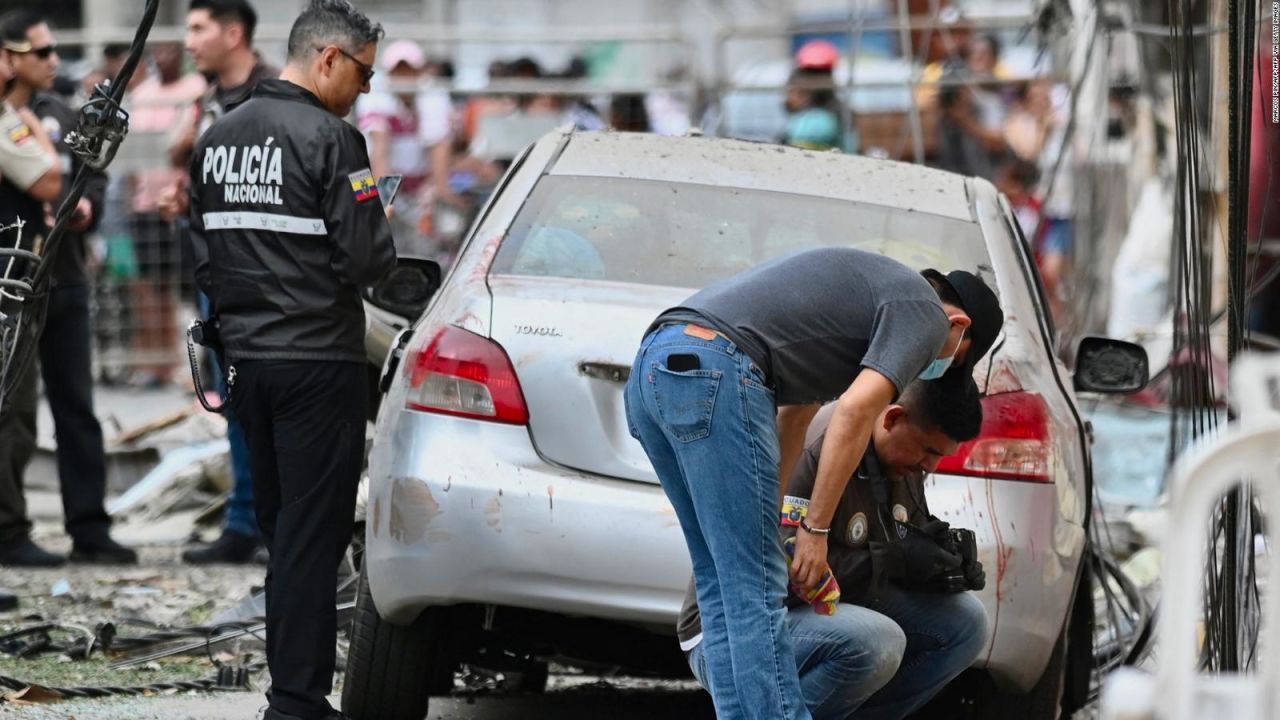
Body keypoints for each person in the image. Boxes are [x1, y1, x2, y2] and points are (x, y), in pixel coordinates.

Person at [623, 254, 1002, 720]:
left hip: (658, 367)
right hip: (714, 368)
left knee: (726, 581)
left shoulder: (862, 315)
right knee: (753, 586)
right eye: (950, 360)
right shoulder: (923, 312)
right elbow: (854, 412)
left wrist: (771, 518)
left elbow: (796, 414)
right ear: (957, 324)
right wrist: (815, 529)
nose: (934, 367)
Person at [187, 2, 394, 717]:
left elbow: (204, 257)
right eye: (363, 73)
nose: (365, 91)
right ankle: (297, 703)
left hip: (245, 363)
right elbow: (370, 260)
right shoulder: (335, 141)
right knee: (313, 535)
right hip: (319, 362)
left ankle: (292, 694)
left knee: (284, 534)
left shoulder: (216, 137)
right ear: (330, 58)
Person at [680, 378, 989, 720]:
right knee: (877, 642)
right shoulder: (819, 446)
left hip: (818, 614)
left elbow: (892, 547)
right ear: (892, 418)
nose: (931, 466)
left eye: (940, 456)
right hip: (732, 626)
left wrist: (942, 565)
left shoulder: (901, 462)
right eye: (928, 451)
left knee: (966, 623)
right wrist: (890, 561)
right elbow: (774, 571)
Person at [0, 10, 134, 567]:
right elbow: (52, 180)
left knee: (76, 409)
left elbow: (91, 181)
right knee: (15, 407)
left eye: (55, 51)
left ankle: (89, 526)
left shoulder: (60, 111)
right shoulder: (10, 118)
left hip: (67, 277)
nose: (53, 61)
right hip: (16, 280)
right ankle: (10, 529)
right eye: (40, 52)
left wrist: (84, 209)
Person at [163, 0, 276, 565]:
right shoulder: (210, 99)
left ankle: (266, 523)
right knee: (231, 398)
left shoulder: (274, 96)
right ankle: (245, 521)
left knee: (263, 397)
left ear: (234, 33)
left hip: (260, 277)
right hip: (214, 270)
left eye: (198, 28)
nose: (188, 40)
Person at [126, 42, 207, 387]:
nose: (163, 56)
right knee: (150, 289)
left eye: (169, 49)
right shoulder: (142, 93)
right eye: (156, 50)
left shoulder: (197, 89)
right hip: (146, 203)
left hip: (181, 202)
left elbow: (183, 148)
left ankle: (188, 365)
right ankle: (157, 362)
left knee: (187, 288)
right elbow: (131, 151)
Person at [355, 39, 453, 257]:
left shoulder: (433, 93)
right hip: (382, 180)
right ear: (389, 74)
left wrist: (437, 194)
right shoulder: (376, 94)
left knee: (436, 232)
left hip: (421, 182)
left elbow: (440, 150)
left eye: (410, 71)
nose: (404, 78)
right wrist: (385, 205)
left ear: (420, 72)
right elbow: (379, 153)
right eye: (399, 72)